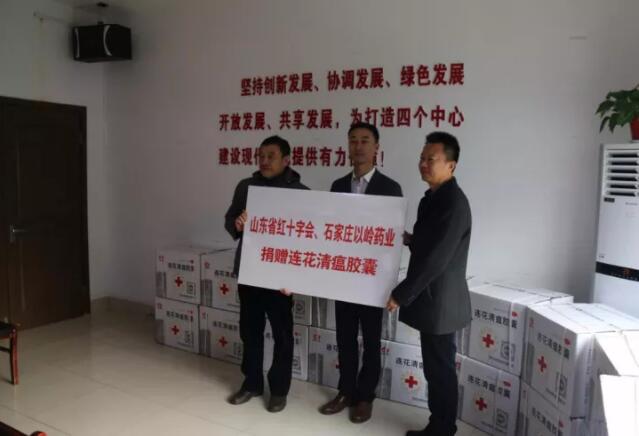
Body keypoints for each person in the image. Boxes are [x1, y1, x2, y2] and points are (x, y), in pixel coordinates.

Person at [386, 131, 472, 436]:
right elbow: (432, 244)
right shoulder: (433, 198)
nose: (423, 164)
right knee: (436, 366)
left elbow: (437, 259)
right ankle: (440, 425)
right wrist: (412, 240)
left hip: (441, 301)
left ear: (451, 165)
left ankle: (443, 428)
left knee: (440, 368)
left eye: (430, 159)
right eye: (421, 158)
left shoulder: (453, 203)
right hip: (434, 298)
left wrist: (401, 294)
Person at [319, 122, 403, 423]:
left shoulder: (390, 188)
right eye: (353, 140)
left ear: (376, 147)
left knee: (370, 340)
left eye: (365, 140)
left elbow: (392, 237)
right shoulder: (338, 186)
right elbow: (330, 230)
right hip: (344, 275)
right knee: (344, 337)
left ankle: (365, 397)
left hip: (372, 278)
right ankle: (346, 391)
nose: (358, 146)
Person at [224, 135, 309, 413]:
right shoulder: (246, 186)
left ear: (286, 160)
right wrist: (237, 225)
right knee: (250, 331)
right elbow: (230, 220)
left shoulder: (300, 192)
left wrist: (296, 277)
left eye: (271, 156)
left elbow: (309, 239)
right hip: (250, 272)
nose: (264, 161)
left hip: (280, 278)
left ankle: (279, 390)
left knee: (282, 335)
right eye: (261, 155)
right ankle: (252, 383)